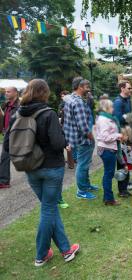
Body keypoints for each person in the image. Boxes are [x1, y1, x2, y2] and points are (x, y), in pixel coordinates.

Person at [4, 79, 79, 266]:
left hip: (30, 169)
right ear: (44, 92)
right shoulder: (48, 113)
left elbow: (6, 145)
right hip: (51, 167)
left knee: (49, 208)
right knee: (48, 209)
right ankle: (41, 255)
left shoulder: (17, 114)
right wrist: (65, 141)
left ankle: (66, 250)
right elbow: (56, 142)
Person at [63, 77, 98, 200]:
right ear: (80, 87)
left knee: (85, 163)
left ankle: (86, 185)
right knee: (83, 165)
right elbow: (83, 127)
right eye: (86, 86)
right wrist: (92, 138)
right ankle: (81, 191)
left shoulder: (70, 98)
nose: (89, 88)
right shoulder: (77, 102)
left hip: (74, 138)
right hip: (83, 139)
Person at [94, 99, 127, 206]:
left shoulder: (106, 118)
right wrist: (118, 136)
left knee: (108, 174)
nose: (113, 109)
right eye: (111, 107)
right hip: (107, 149)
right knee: (108, 174)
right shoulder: (104, 119)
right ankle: (109, 199)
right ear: (106, 108)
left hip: (108, 148)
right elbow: (105, 137)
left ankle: (107, 198)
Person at [113, 80, 132, 196]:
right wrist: (131, 116)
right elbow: (118, 119)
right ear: (122, 88)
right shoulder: (117, 102)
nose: (131, 90)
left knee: (129, 159)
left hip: (128, 133)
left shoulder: (128, 100)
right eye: (129, 88)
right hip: (121, 135)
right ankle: (122, 190)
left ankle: (126, 186)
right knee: (122, 162)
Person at [0, 86, 19, 189]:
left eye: (8, 92)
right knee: (4, 157)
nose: (6, 93)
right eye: (5, 92)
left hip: (17, 135)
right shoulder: (6, 105)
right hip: (7, 134)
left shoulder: (20, 105)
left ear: (15, 93)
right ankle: (4, 181)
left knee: (26, 156)